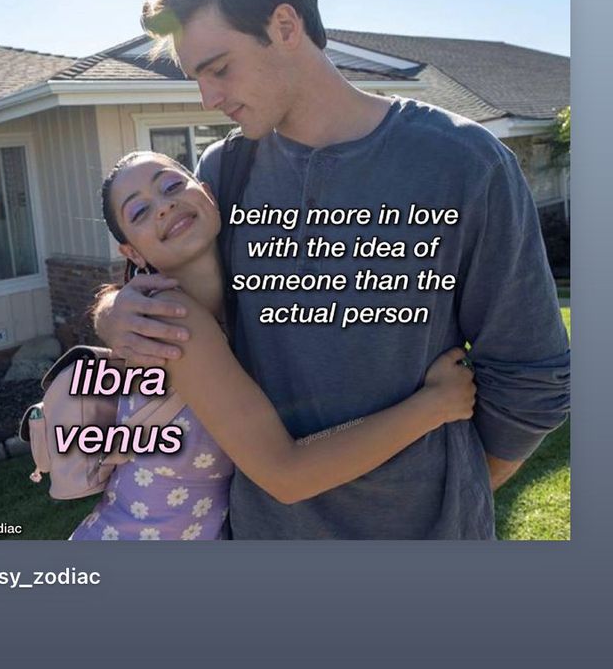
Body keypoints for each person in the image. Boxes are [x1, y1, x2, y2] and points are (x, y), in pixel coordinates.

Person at [93, 0, 570, 540]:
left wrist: (448, 494)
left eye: (219, 69)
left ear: (286, 26)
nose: (209, 97)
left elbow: (533, 381)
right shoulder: (223, 174)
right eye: (197, 77)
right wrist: (112, 310)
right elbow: (167, 293)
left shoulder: (462, 164)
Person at [72, 150, 476, 540]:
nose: (163, 206)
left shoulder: (240, 302)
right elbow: (287, 475)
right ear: (132, 252)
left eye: (172, 185)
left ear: (208, 194)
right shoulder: (170, 319)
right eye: (139, 212)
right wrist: (434, 405)